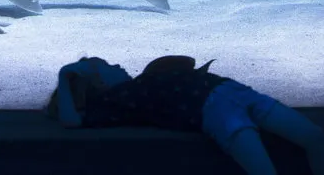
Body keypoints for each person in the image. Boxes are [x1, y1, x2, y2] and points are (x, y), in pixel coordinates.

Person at [45, 55, 324, 175]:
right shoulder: (120, 100)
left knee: (316, 137)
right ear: (99, 85)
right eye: (105, 65)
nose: (116, 63)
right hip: (217, 111)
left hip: (235, 91)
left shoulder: (144, 80)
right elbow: (71, 120)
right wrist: (65, 74)